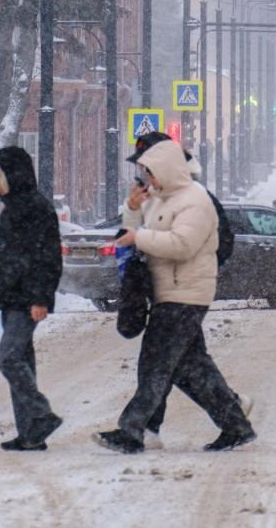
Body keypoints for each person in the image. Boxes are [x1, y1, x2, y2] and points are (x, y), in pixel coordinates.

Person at [95, 140, 255, 454]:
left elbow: (183, 244)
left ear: (167, 168)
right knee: (190, 369)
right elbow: (132, 239)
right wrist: (131, 209)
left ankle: (133, 430)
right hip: (167, 292)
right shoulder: (158, 200)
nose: (147, 180)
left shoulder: (195, 200)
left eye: (150, 172)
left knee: (155, 363)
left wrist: (139, 235)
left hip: (187, 293)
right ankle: (236, 425)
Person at [0, 146, 64, 452]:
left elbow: (46, 259)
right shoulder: (14, 208)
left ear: (13, 174)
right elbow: (6, 261)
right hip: (13, 298)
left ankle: (41, 415)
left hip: (27, 300)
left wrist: (40, 299)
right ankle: (30, 433)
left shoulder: (36, 208)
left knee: (9, 358)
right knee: (22, 361)